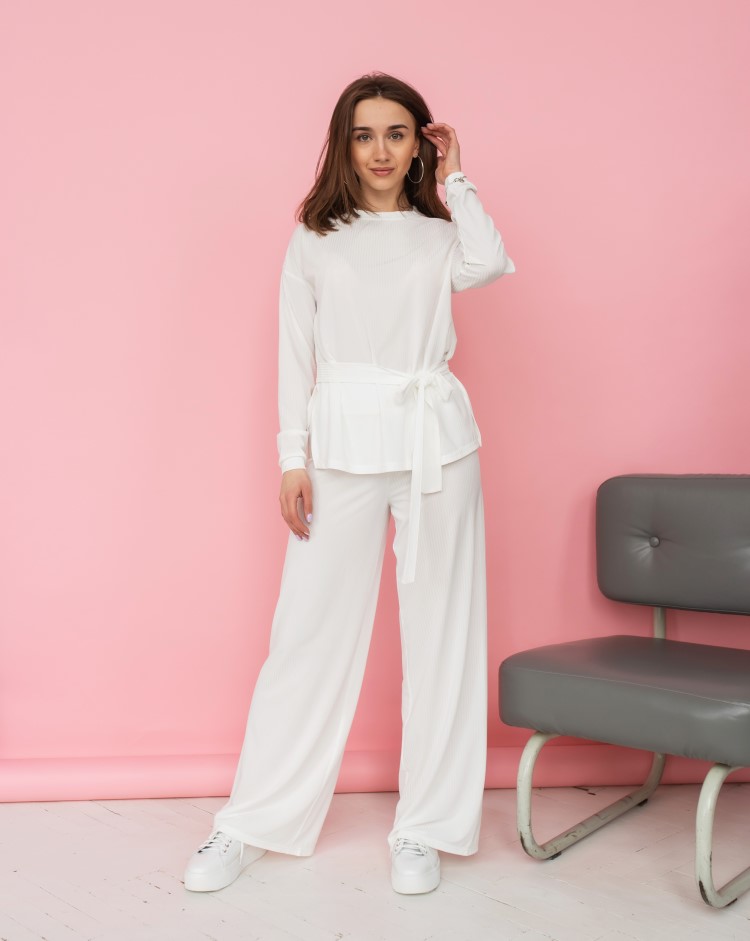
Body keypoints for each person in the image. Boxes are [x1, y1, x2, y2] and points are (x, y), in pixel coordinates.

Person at [183, 70, 515, 896]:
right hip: (340, 444)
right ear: (343, 144)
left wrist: (457, 177)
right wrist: (290, 457)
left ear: (419, 144)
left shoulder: (441, 234)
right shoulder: (314, 238)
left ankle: (425, 827)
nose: (380, 150)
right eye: (364, 135)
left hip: (437, 444)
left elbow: (490, 261)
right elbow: (295, 352)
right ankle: (253, 820)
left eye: (397, 133)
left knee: (442, 635)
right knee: (307, 631)